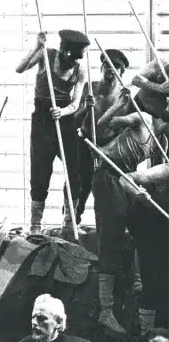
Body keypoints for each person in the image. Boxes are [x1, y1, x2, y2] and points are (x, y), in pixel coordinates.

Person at [91, 80, 168, 335]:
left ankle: (137, 291)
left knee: (137, 234)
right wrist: (118, 107)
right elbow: (100, 127)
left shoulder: (160, 134)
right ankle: (105, 310)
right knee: (111, 240)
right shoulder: (141, 117)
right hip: (109, 176)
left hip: (126, 181)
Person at [16, 28, 89, 236]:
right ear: (63, 49)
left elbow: (75, 104)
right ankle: (36, 224)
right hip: (41, 120)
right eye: (69, 55)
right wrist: (36, 47)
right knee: (40, 171)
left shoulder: (79, 70)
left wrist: (63, 111)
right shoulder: (46, 55)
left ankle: (69, 222)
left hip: (64, 120)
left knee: (74, 171)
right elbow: (19, 69)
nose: (71, 60)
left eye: (75, 57)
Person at [75, 47, 129, 225]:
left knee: (106, 188)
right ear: (101, 68)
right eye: (107, 65)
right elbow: (76, 117)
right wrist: (86, 107)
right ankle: (71, 221)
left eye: (116, 67)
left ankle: (106, 226)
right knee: (79, 184)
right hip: (86, 141)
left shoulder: (124, 96)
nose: (110, 70)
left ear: (121, 72)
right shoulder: (90, 87)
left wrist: (108, 150)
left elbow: (124, 127)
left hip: (109, 147)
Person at [126, 151, 169, 334]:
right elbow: (126, 178)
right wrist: (140, 195)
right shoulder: (164, 171)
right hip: (153, 232)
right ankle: (147, 337)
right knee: (153, 285)